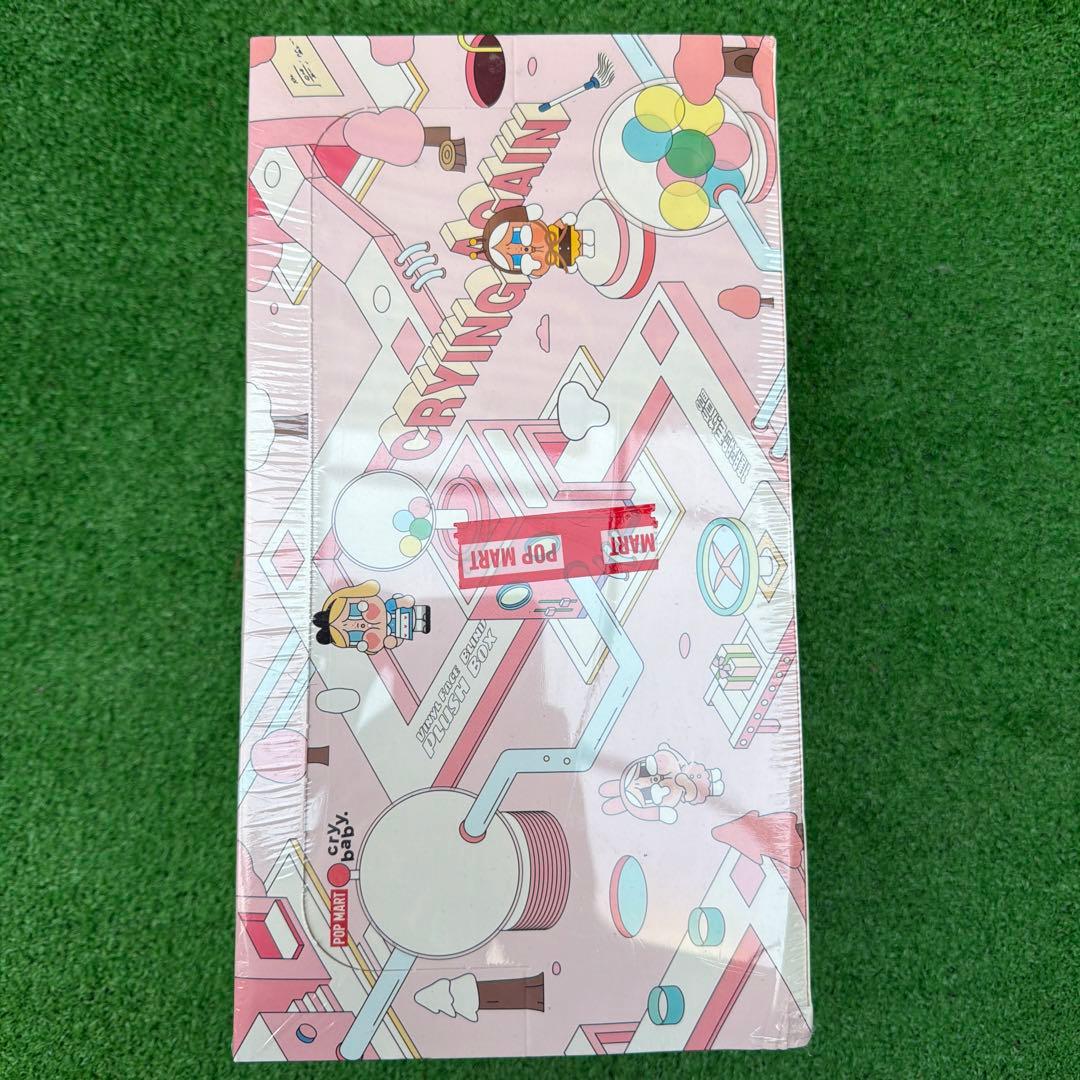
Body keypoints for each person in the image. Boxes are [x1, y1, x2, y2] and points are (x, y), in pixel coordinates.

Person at [468, 203, 595, 277]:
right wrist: (533, 267)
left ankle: (587, 236)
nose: (520, 249)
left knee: (583, 236)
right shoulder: (540, 261)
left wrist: (563, 221)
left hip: (563, 234)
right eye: (516, 259)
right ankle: (587, 251)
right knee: (586, 253)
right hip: (564, 257)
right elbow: (540, 271)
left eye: (516, 236)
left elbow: (558, 226)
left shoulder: (546, 231)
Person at [312, 581, 430, 654]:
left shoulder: (388, 607)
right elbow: (391, 642)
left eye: (354, 611)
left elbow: (395, 604)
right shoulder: (386, 635)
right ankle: (422, 626)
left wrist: (401, 602)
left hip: (401, 612)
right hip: (399, 632)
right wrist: (393, 641)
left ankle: (422, 614)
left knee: (416, 612)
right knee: (411, 629)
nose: (357, 625)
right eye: (353, 635)